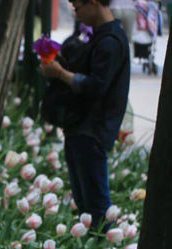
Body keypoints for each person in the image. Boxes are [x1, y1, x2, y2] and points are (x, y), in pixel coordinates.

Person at [40, 0, 130, 229]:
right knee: (84, 204)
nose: (77, 15)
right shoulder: (100, 37)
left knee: (96, 207)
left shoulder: (110, 42)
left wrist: (61, 74)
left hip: (92, 131)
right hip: (81, 128)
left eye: (77, 8)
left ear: (93, 3)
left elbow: (96, 86)